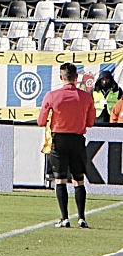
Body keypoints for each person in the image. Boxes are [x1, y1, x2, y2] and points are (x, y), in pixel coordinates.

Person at [37, 63, 96, 228]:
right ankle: (82, 218)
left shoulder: (52, 95)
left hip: (59, 139)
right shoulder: (86, 97)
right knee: (79, 179)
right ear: (76, 78)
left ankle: (64, 218)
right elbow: (90, 122)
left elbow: (41, 121)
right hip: (77, 140)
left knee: (60, 179)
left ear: (61, 77)